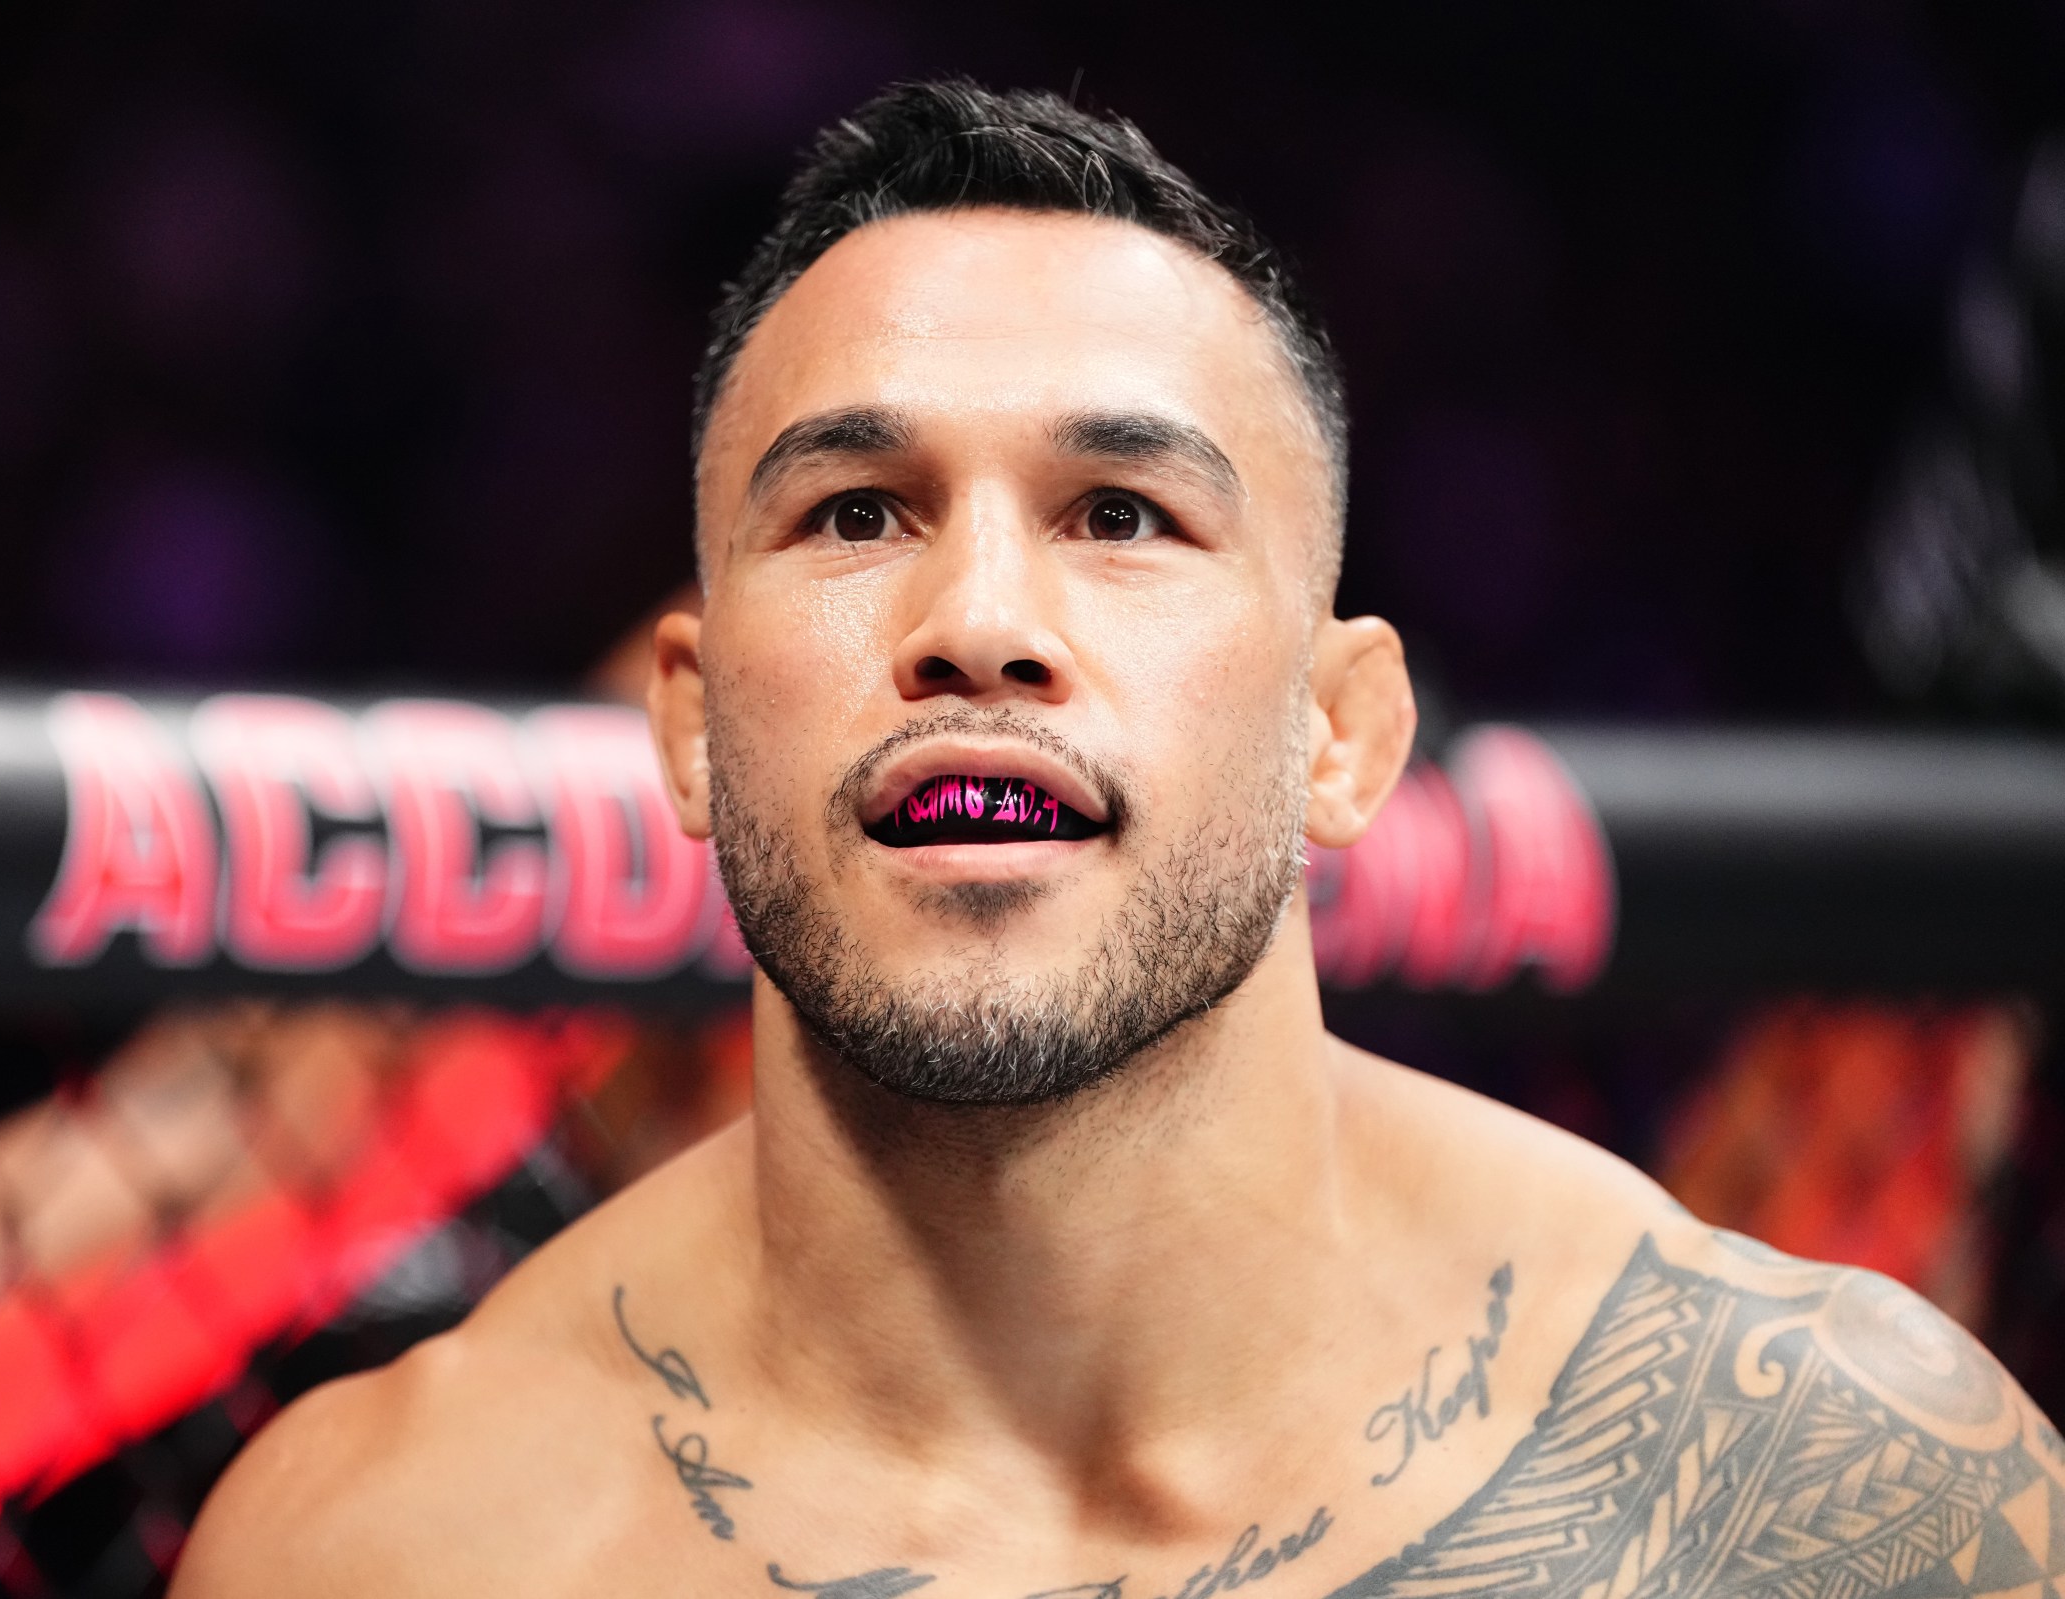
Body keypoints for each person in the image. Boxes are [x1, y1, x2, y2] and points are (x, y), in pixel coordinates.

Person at [172, 82, 2064, 1599]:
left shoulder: (1822, 1491)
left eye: (1123, 514)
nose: (976, 616)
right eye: (851, 511)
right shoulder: (388, 1545)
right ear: (683, 722)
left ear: (1340, 734)